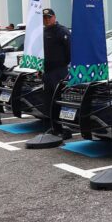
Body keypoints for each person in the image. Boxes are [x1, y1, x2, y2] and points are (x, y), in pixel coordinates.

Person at [41, 8, 71, 138]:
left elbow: (70, 51)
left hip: (59, 71)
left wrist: (63, 65)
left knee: (59, 100)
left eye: (49, 17)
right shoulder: (43, 32)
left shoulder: (62, 31)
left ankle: (64, 129)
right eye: (45, 18)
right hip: (47, 71)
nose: (47, 20)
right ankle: (54, 127)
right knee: (49, 101)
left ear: (54, 17)